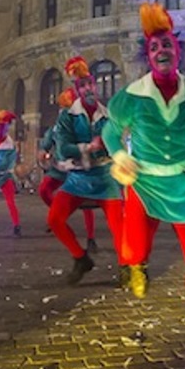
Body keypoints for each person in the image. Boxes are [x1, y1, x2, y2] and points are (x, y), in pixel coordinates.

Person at [102, 2, 185, 348]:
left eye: (167, 44)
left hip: (181, 185)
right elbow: (112, 132)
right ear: (148, 56)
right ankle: (134, 265)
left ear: (178, 51)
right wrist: (121, 157)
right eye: (154, 47)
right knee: (136, 247)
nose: (161, 51)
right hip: (142, 182)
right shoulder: (133, 96)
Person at [47, 56, 124, 285]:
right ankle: (81, 258)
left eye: (90, 83)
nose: (89, 88)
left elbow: (116, 142)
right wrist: (88, 148)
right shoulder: (67, 117)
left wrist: (110, 147)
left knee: (119, 225)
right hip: (78, 179)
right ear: (77, 90)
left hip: (105, 178)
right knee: (54, 219)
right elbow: (62, 150)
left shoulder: (108, 115)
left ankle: (126, 267)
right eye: (83, 86)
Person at [37, 87, 96, 243]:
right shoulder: (58, 125)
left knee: (85, 202)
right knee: (44, 190)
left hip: (78, 168)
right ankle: (57, 216)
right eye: (62, 107)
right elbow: (50, 137)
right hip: (59, 168)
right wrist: (43, 149)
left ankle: (90, 238)